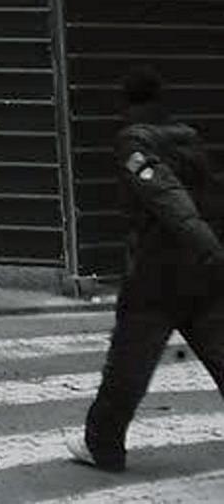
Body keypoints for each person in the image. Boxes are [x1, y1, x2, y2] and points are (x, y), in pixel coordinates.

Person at [72, 66, 224, 472]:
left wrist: (204, 243)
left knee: (128, 363)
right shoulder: (187, 137)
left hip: (158, 272)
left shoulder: (134, 141)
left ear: (126, 102)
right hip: (202, 272)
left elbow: (166, 195)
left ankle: (103, 445)